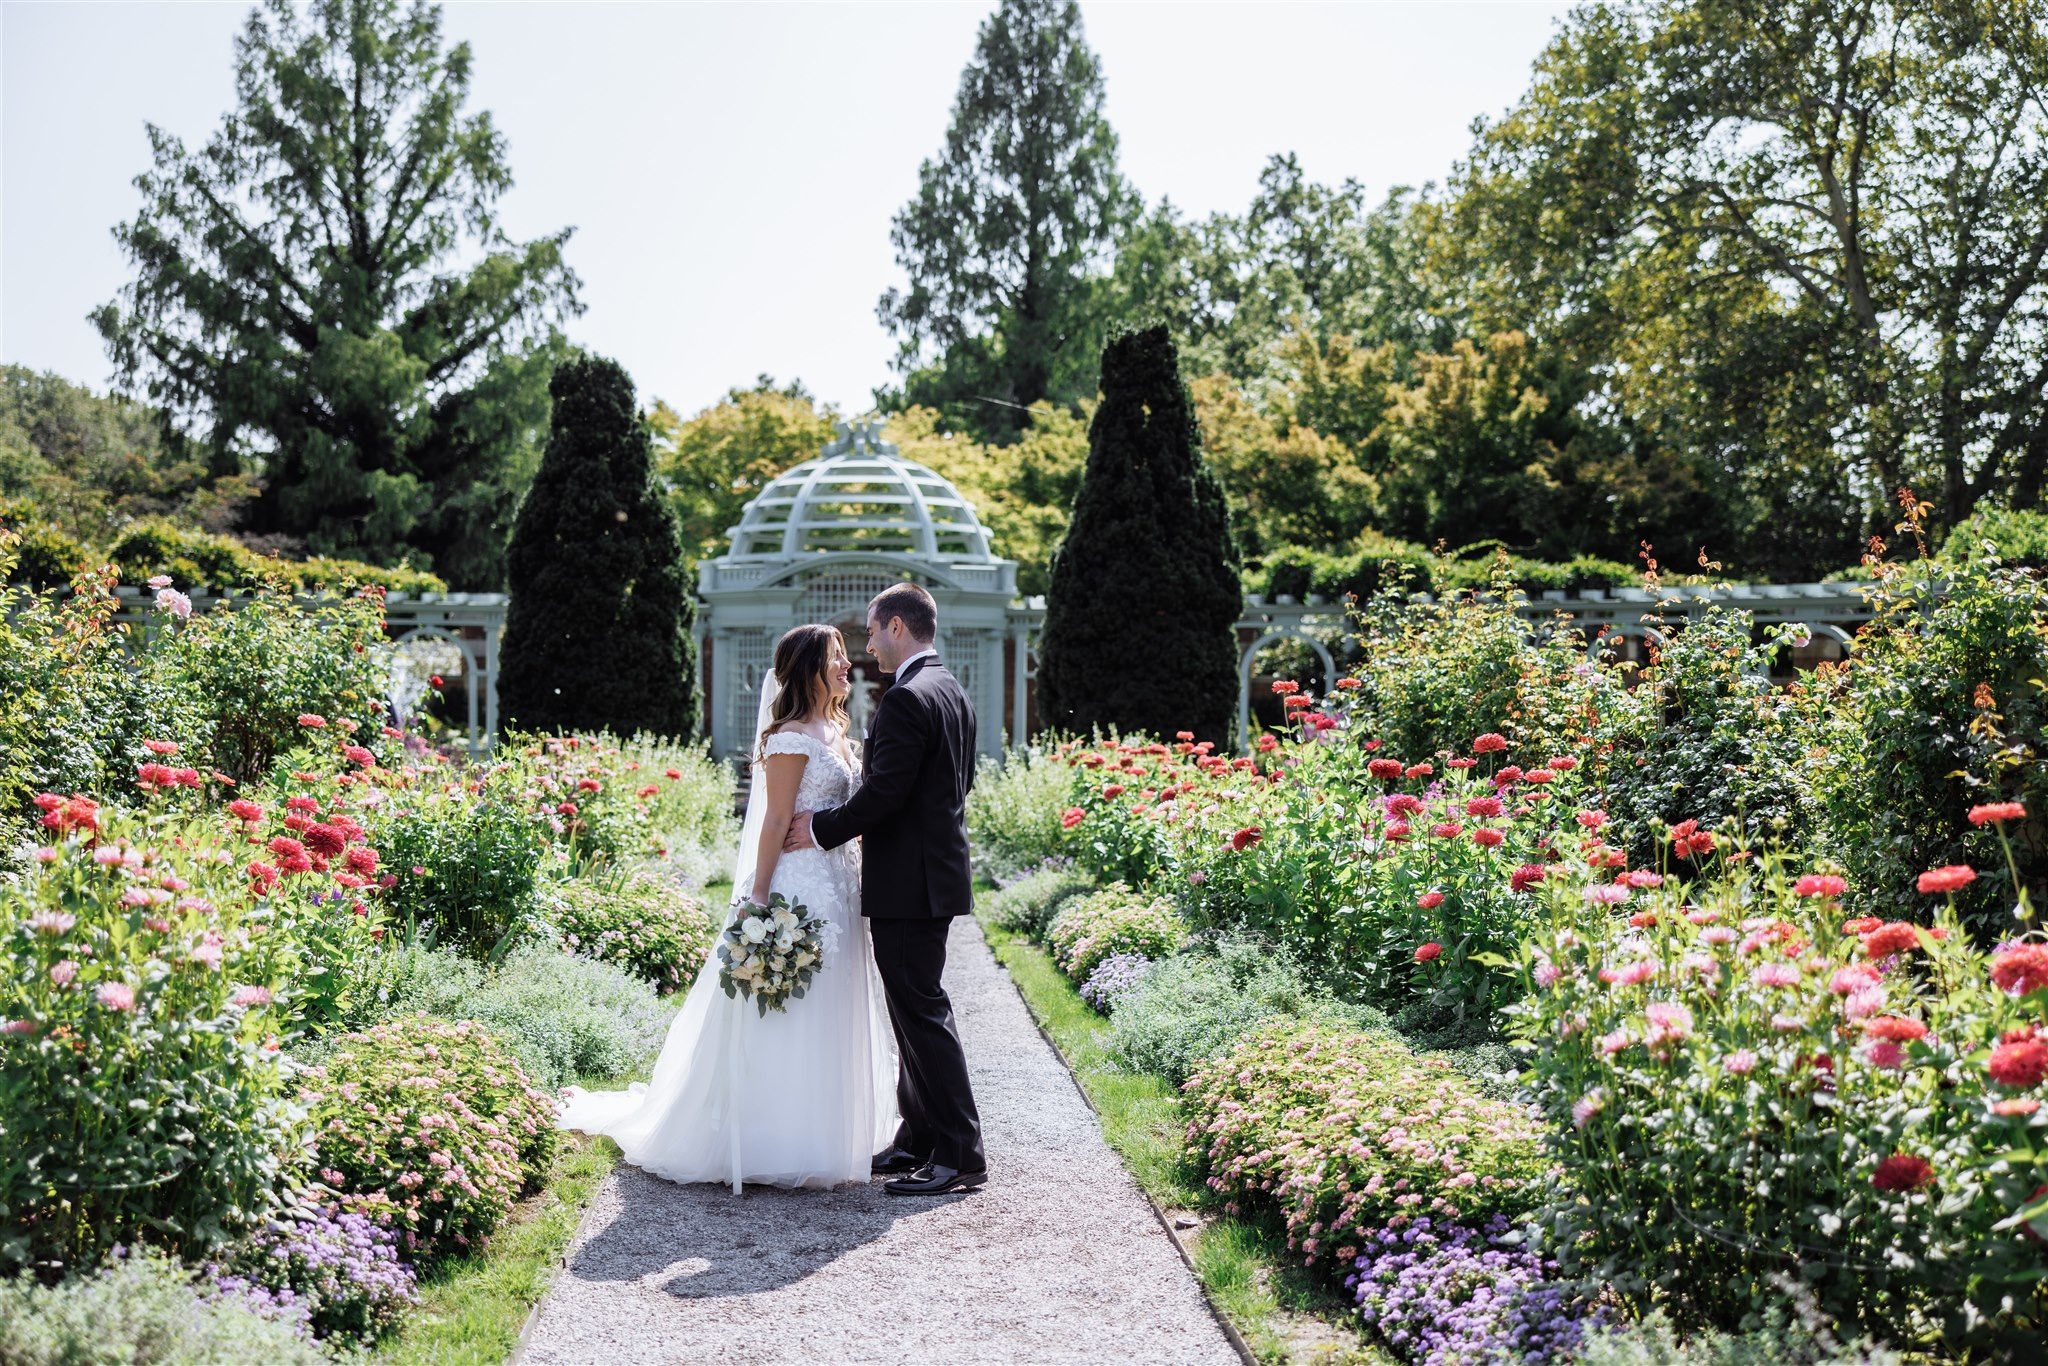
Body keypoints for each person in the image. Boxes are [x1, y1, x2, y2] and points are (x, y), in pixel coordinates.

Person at [555, 624, 896, 1192]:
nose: (847, 665)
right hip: (800, 886)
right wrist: (759, 900)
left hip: (840, 883)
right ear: (808, 668)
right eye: (836, 657)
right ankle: (775, 1135)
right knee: (790, 1004)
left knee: (836, 999)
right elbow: (772, 819)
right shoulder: (789, 737)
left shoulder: (837, 731)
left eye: (844, 656)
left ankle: (828, 1131)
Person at [784, 582, 987, 1196]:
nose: (867, 646)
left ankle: (960, 1153)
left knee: (922, 1011)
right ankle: (917, 1138)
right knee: (911, 1010)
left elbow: (885, 793)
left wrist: (818, 829)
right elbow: (954, 783)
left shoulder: (904, 698)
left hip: (910, 883)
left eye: (872, 632)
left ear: (897, 626)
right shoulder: (950, 689)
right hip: (934, 875)